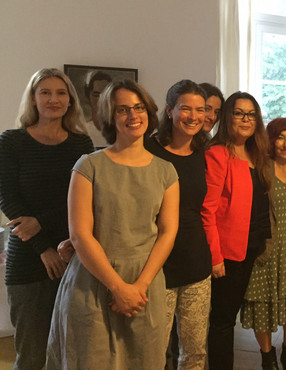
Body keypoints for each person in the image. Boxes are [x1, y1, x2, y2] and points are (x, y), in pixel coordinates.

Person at [46, 80, 180, 369]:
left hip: (146, 284)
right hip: (93, 281)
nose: (133, 115)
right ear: (109, 116)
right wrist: (118, 288)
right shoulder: (88, 166)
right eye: (122, 109)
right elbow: (79, 235)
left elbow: (168, 232)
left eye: (138, 107)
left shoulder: (166, 171)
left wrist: (139, 286)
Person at [0, 68, 93, 370]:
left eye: (61, 93)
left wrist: (40, 221)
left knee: (69, 351)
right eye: (45, 92)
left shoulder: (81, 145)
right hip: (27, 258)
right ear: (33, 99)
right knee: (31, 354)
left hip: (73, 253)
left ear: (70, 101)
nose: (54, 99)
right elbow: (7, 199)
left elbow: (83, 201)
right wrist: (42, 246)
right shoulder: (11, 141)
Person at [144, 80, 212, 369]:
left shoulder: (206, 152)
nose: (194, 116)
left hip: (196, 261)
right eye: (186, 109)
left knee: (195, 350)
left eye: (201, 110)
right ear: (170, 111)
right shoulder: (146, 150)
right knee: (154, 348)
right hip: (155, 263)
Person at [201, 91, 271, 369]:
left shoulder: (257, 154)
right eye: (239, 113)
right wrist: (215, 257)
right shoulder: (218, 154)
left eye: (251, 114)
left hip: (250, 248)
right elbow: (208, 210)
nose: (245, 119)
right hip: (227, 253)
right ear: (227, 117)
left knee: (229, 315)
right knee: (222, 320)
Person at [240, 118, 286, 370]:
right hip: (267, 251)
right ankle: (267, 357)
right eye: (280, 137)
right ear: (271, 140)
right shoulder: (261, 168)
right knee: (262, 304)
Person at [83, 70, 112, 148]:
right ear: (87, 98)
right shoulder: (82, 131)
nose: (101, 99)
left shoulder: (122, 130)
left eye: (106, 94)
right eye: (96, 95)